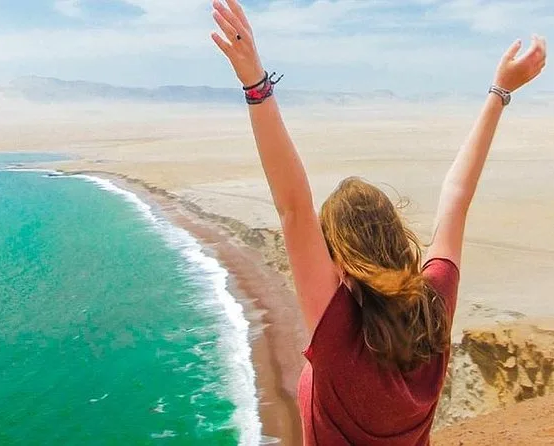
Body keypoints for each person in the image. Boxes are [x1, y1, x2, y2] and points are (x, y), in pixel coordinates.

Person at [210, 1, 547, 444]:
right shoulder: (433, 308)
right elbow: (457, 198)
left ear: (340, 260)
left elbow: (293, 207)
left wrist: (255, 84)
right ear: (396, 237)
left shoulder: (337, 336)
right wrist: (500, 91)